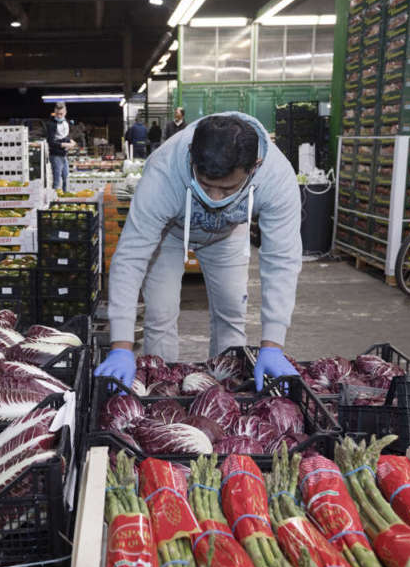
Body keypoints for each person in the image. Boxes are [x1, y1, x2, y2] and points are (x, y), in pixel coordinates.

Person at [95, 112, 302, 392]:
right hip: (169, 234)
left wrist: (273, 343)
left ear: (255, 166)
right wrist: (121, 345)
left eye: (227, 188)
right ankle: (160, 390)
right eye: (206, 186)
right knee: (160, 312)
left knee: (231, 312)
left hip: (227, 236)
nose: (215, 198)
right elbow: (130, 258)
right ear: (191, 156)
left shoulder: (277, 178)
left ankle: (225, 391)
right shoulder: (163, 171)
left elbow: (282, 261)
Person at [46, 102, 76, 191]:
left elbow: (64, 136)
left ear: (65, 112)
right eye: (57, 114)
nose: (59, 116)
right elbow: (50, 142)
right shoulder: (51, 124)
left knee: (66, 178)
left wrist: (71, 141)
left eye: (61, 114)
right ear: (55, 112)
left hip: (64, 155)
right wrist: (65, 144)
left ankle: (65, 198)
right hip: (55, 155)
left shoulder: (66, 122)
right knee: (57, 180)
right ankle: (55, 201)